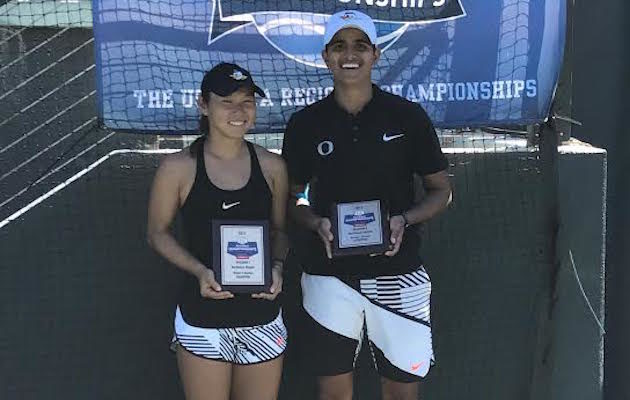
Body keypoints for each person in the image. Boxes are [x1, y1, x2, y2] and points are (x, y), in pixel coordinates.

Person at [281, 10, 452, 400]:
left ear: (375, 54)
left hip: (398, 275)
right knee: (334, 395)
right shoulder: (306, 123)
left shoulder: (407, 116)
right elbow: (293, 197)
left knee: (401, 394)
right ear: (326, 56)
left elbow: (441, 191)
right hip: (328, 278)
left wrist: (404, 220)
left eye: (360, 45)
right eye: (339, 46)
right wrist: (315, 222)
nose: (350, 54)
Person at [147, 62, 289, 400]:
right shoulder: (177, 168)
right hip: (202, 318)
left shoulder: (273, 166)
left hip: (261, 316)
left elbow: (281, 231)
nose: (239, 111)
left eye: (247, 101)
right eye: (227, 101)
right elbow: (157, 233)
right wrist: (200, 271)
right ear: (203, 105)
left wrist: (277, 267)